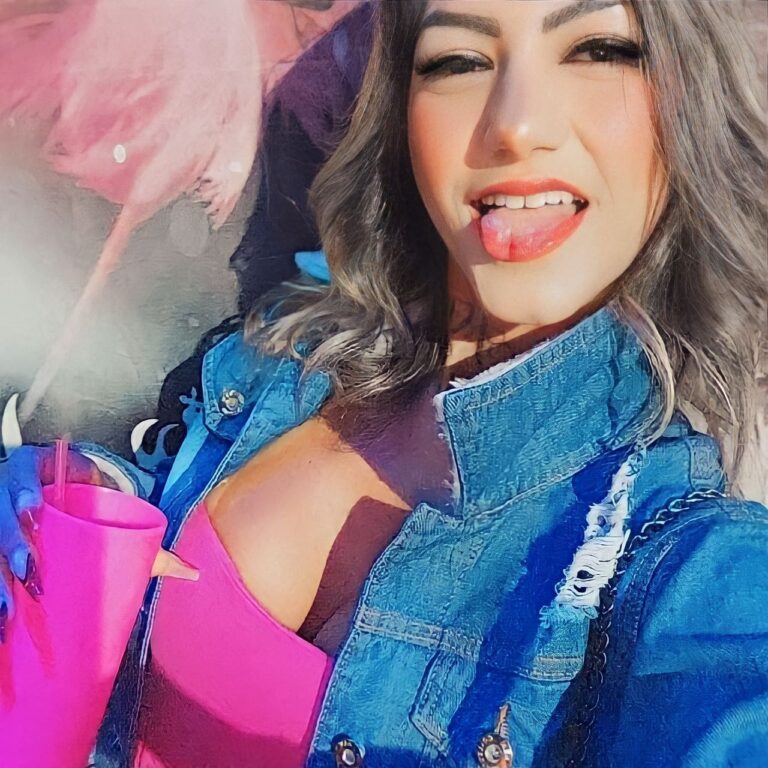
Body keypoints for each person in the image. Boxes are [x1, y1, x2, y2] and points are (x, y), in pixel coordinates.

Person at [1, 1, 767, 767]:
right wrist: (88, 491)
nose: (516, 125)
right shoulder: (297, 359)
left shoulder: (680, 564)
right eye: (458, 61)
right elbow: (170, 530)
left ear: (688, 100)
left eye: (598, 50)